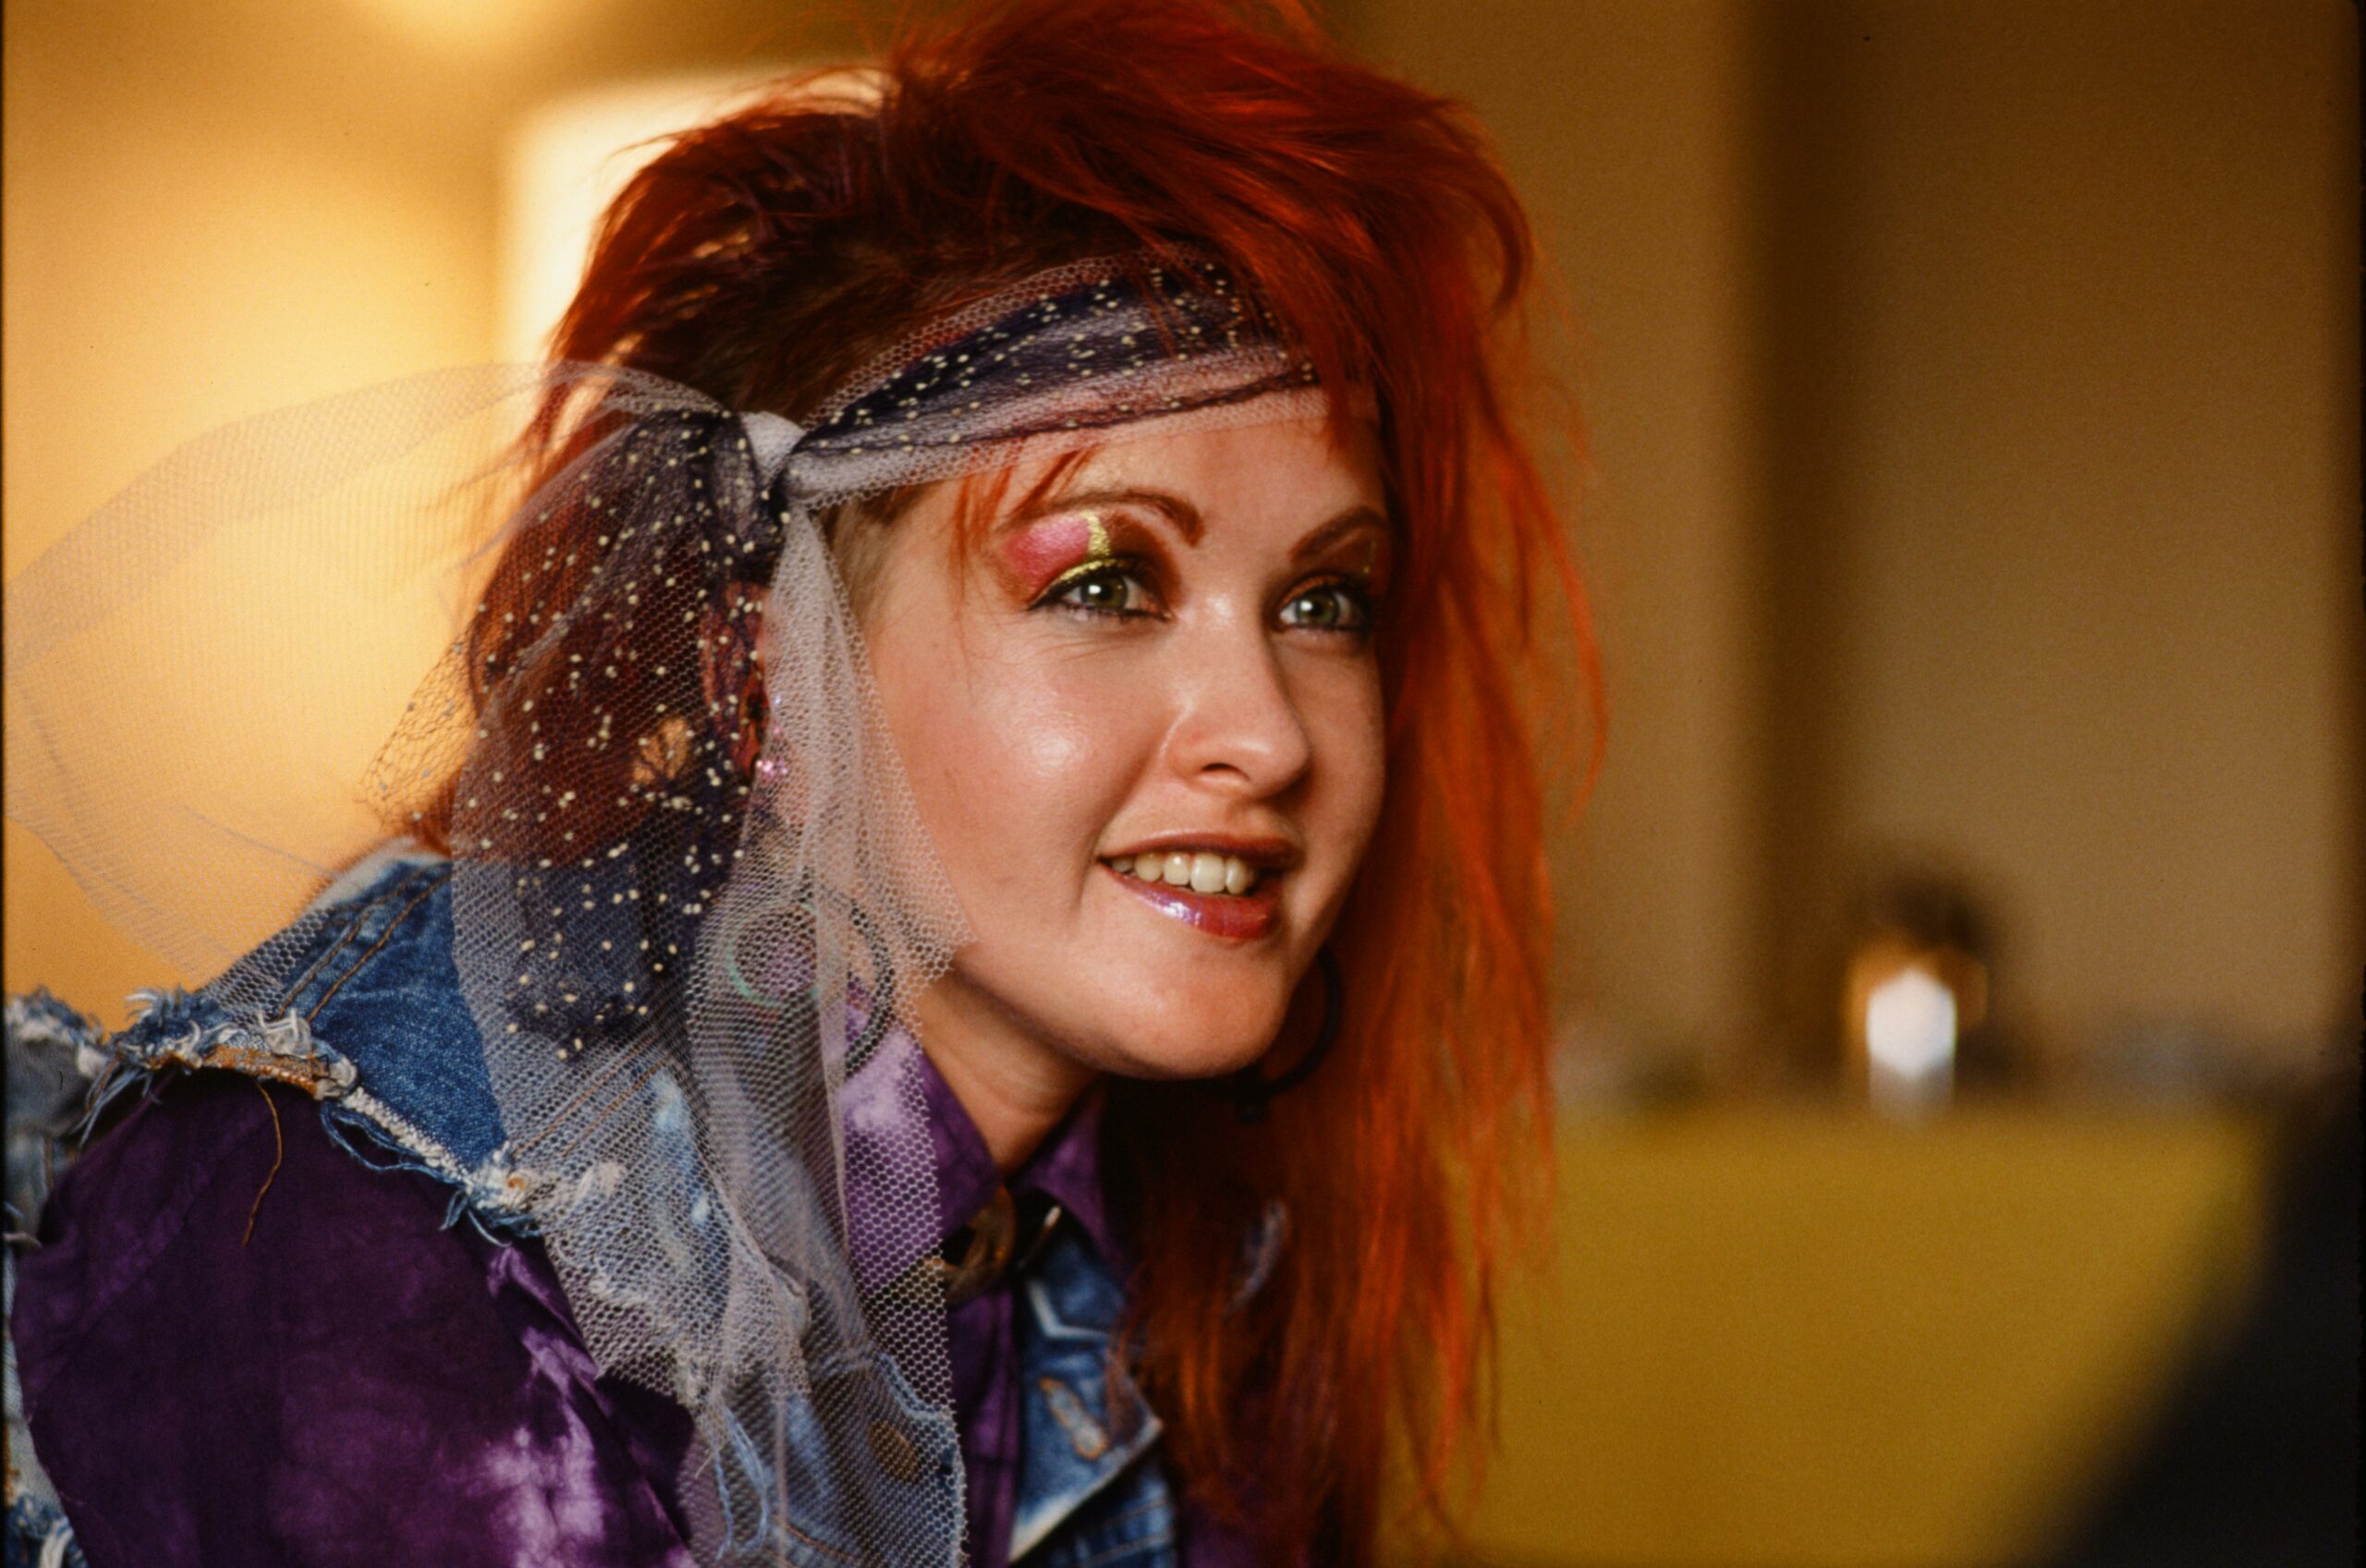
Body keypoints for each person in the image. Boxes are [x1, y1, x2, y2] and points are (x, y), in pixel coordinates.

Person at [2, 2, 1594, 1564]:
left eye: (1325, 600)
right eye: (1107, 583)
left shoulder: (1173, 1251)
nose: (1271, 733)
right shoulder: (376, 1239)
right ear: (764, 669)